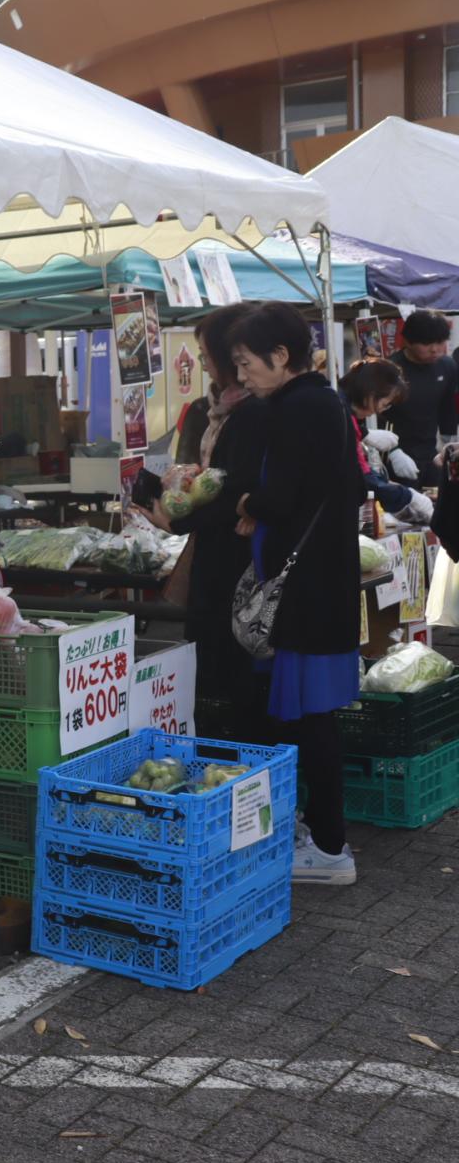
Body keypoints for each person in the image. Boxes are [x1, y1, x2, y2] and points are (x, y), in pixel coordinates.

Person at [230, 301, 361, 885]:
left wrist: (247, 504)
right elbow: (350, 486)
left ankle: (331, 850)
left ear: (280, 357)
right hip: (324, 583)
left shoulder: (294, 409)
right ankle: (320, 830)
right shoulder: (326, 401)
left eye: (246, 363)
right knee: (315, 716)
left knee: (311, 722)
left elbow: (278, 498)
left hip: (304, 594)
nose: (241, 375)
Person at [138, 305, 267, 710]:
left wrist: (177, 522)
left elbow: (237, 493)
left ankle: (234, 749)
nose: (203, 363)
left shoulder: (252, 414)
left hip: (235, 558)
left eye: (206, 353)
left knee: (227, 661)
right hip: (216, 548)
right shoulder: (220, 409)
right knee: (213, 656)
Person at [341, 359, 433, 522]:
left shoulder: (349, 417)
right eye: (386, 403)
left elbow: (365, 472)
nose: (383, 409)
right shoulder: (342, 416)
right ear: (371, 393)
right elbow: (360, 478)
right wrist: (407, 496)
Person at [376, 310, 456, 483]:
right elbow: (376, 415)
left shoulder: (447, 366)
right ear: (407, 341)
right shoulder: (390, 370)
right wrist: (393, 452)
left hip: (432, 452)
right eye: (426, 343)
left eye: (440, 342)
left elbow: (448, 409)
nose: (434, 350)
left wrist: (450, 445)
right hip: (397, 453)